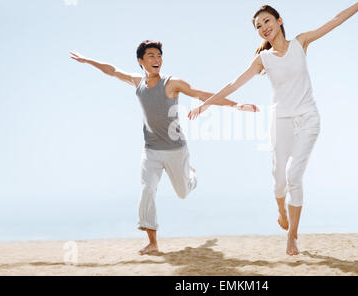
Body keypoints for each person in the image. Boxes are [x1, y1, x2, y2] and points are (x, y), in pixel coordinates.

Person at [188, 0, 358, 255]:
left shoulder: (301, 42)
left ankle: (292, 236)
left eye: (267, 21)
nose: (263, 27)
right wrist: (206, 106)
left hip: (308, 118)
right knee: (279, 179)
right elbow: (234, 84)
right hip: (280, 120)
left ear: (279, 20)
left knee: (295, 175)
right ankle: (280, 209)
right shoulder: (264, 60)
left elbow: (336, 20)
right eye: (258, 26)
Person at [70, 40, 258, 255]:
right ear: (140, 61)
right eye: (150, 55)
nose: (156, 59)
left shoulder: (171, 83)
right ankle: (152, 242)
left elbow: (201, 94)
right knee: (147, 189)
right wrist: (87, 60)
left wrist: (235, 105)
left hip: (176, 150)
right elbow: (111, 71)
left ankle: (191, 174)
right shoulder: (137, 82)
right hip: (150, 150)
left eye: (159, 55)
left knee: (183, 192)